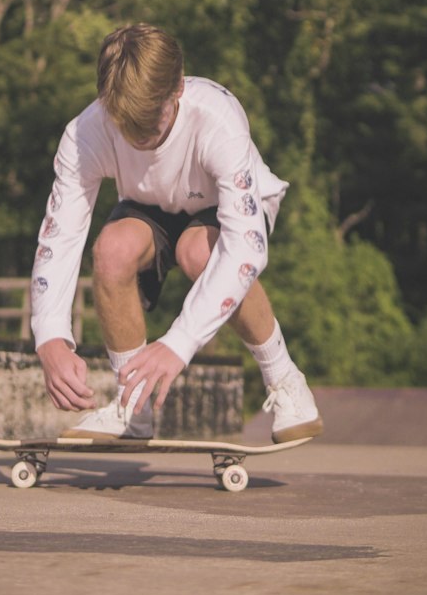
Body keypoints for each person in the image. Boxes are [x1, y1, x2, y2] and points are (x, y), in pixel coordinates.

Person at [30, 23, 322, 443]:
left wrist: (178, 342)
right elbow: (60, 238)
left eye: (151, 122)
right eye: (126, 125)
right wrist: (50, 336)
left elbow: (246, 250)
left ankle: (286, 379)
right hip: (150, 204)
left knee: (199, 254)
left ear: (179, 88)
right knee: (111, 249)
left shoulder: (218, 117)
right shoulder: (84, 134)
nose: (140, 138)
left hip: (221, 208)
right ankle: (133, 408)